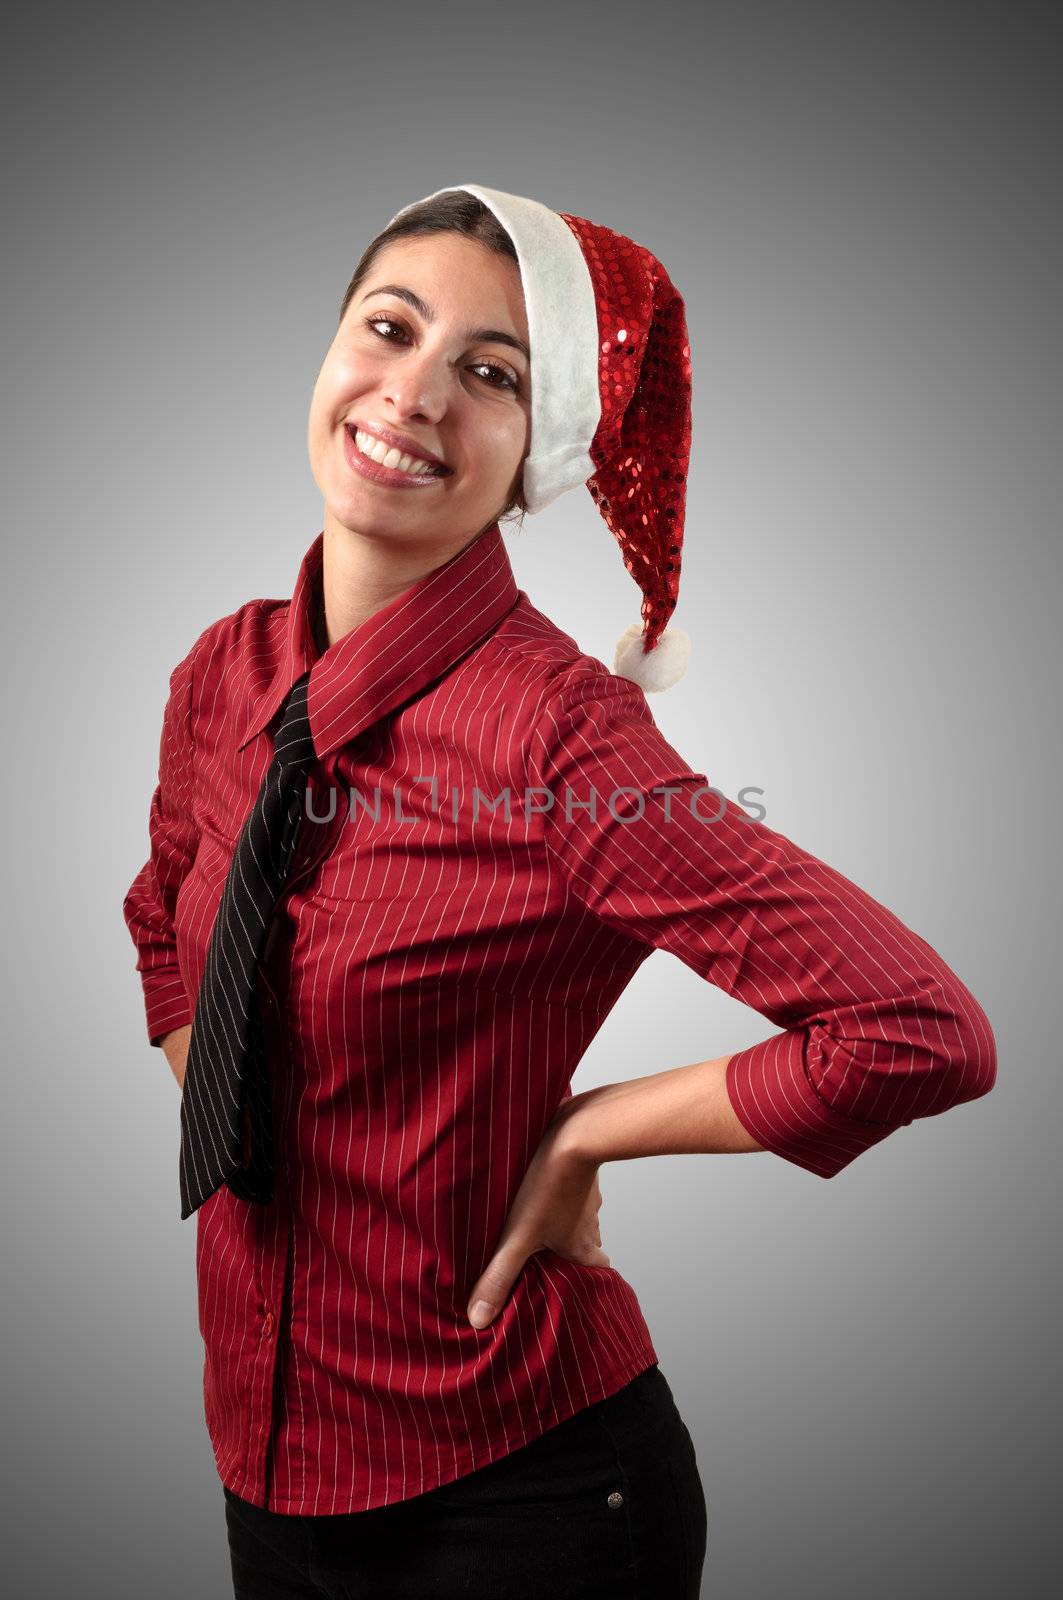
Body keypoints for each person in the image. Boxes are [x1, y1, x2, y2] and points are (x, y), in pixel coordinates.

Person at [122, 184, 996, 1599]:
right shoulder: (224, 672)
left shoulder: (561, 741)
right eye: (389, 328)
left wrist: (588, 1136)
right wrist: (236, 1086)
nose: (412, 394)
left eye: (492, 374)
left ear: (539, 450)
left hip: (521, 1498)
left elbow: (918, 1029)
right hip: (264, 1461)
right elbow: (164, 915)